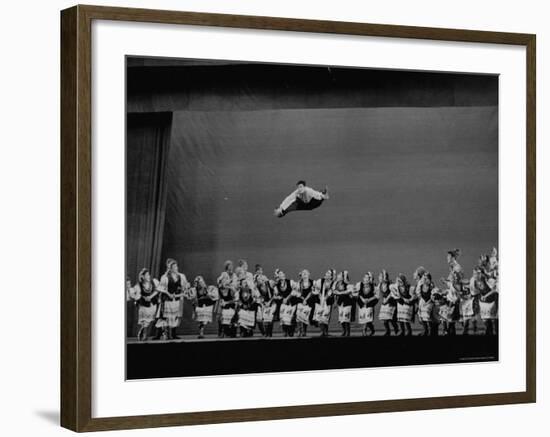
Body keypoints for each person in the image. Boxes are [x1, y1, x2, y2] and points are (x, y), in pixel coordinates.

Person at [156, 259, 192, 340]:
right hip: (167, 300)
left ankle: (173, 334)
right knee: (165, 316)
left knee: (175, 316)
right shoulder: (165, 277)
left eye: (176, 266)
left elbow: (185, 286)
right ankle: (162, 334)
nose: (176, 268)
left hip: (176, 299)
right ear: (170, 268)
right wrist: (168, 294)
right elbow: (161, 288)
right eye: (174, 267)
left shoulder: (181, 276)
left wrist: (187, 287)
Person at [129, 268, 160, 341]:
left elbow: (158, 289)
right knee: (145, 321)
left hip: (152, 303)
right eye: (147, 275)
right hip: (144, 305)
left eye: (149, 275)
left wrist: (151, 296)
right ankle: (144, 334)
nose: (148, 276)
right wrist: (141, 298)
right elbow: (136, 294)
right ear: (142, 277)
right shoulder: (139, 285)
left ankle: (143, 331)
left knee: (150, 320)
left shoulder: (154, 281)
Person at [314, 269, 336, 336]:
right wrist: (320, 296)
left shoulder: (333, 283)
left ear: (331, 276)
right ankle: (322, 331)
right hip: (319, 301)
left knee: (326, 317)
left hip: (328, 302)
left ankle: (326, 332)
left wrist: (326, 299)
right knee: (320, 316)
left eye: (329, 273)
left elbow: (332, 292)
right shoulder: (320, 281)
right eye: (326, 273)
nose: (326, 274)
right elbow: (316, 289)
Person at [356, 272, 379, 336]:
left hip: (370, 304)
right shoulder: (360, 284)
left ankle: (364, 330)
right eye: (365, 277)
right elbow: (358, 293)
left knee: (368, 318)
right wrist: (362, 299)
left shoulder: (373, 286)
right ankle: (372, 329)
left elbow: (377, 296)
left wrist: (369, 300)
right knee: (366, 319)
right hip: (362, 303)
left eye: (368, 277)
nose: (366, 279)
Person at [378, 270, 399, 336]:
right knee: (384, 320)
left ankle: (396, 330)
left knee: (392, 319)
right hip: (385, 303)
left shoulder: (390, 284)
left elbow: (392, 292)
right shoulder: (380, 285)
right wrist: (383, 300)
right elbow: (380, 294)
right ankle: (388, 331)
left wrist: (387, 299)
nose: (379, 278)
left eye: (380, 276)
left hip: (391, 303)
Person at [217, 272, 237, 338]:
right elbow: (219, 298)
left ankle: (230, 332)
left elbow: (235, 300)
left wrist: (226, 302)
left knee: (229, 315)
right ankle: (222, 332)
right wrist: (221, 302)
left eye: (225, 279)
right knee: (220, 316)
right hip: (224, 307)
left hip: (231, 307)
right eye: (223, 280)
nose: (224, 281)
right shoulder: (220, 289)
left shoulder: (231, 289)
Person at [334, 271, 353, 337]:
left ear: (343, 277)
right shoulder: (336, 284)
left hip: (347, 303)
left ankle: (348, 332)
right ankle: (344, 331)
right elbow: (335, 293)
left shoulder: (347, 285)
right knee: (341, 319)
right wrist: (335, 302)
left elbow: (348, 292)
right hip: (340, 303)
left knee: (346, 318)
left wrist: (340, 293)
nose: (338, 276)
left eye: (339, 275)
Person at [296, 269, 315, 337]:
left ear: (309, 274)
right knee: (298, 315)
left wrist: (306, 300)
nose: (304, 274)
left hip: (309, 301)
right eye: (303, 273)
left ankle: (304, 331)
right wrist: (303, 299)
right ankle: (299, 330)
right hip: (301, 300)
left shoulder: (312, 282)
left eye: (306, 273)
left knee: (305, 316)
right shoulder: (299, 283)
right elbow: (298, 292)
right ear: (301, 275)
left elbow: (312, 292)